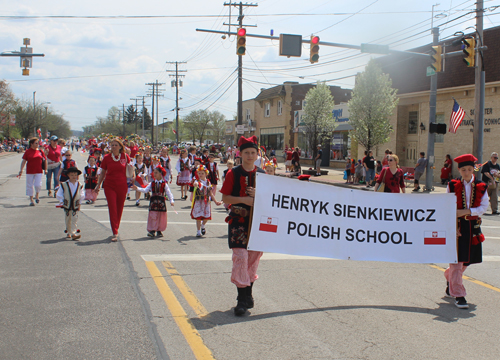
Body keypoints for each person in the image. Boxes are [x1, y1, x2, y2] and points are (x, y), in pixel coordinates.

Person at [220, 135, 266, 316]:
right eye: (246, 152)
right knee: (240, 257)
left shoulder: (263, 175)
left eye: (253, 152)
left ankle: (248, 294)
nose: (250, 155)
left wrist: (260, 193)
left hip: (256, 223)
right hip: (238, 222)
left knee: (253, 258)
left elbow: (272, 199)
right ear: (240, 154)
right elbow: (225, 198)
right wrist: (245, 200)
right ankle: (241, 299)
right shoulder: (233, 173)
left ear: (257, 154)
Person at [445, 154, 488, 309]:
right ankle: (459, 294)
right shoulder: (452, 184)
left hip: (473, 226)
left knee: (468, 260)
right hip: (457, 226)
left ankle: (449, 277)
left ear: (473, 170)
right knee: (457, 260)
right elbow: (447, 205)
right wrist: (452, 226)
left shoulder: (481, 186)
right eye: (463, 169)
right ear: (459, 170)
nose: (467, 172)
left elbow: (483, 207)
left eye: (469, 169)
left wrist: (466, 211)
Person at [94, 138, 131, 242]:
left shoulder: (125, 156)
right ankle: (114, 231)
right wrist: (98, 185)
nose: (114, 147)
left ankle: (116, 227)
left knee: (119, 208)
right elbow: (102, 173)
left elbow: (131, 169)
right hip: (109, 185)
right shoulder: (106, 158)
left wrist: (133, 178)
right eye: (112, 145)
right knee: (112, 208)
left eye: (116, 145)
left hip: (122, 186)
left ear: (120, 146)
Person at [133, 166, 174, 238]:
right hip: (153, 202)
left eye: (156, 173)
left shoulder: (164, 184)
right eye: (154, 173)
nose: (154, 174)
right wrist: (137, 188)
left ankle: (159, 230)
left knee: (160, 216)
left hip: (161, 202)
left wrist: (171, 200)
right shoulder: (152, 183)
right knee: (153, 216)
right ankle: (152, 230)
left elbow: (168, 193)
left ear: (161, 174)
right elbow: (145, 190)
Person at [190, 165, 220, 237]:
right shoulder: (197, 181)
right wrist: (195, 184)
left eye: (202, 173)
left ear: (206, 174)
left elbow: (210, 193)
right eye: (199, 173)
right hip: (198, 202)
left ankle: (203, 226)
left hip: (206, 202)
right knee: (198, 217)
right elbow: (195, 184)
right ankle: (198, 231)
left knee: (206, 216)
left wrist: (216, 202)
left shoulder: (208, 182)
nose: (200, 175)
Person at [56, 166, 85, 240]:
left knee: (74, 218)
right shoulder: (64, 184)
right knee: (68, 218)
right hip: (67, 204)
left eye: (75, 175)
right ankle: (69, 232)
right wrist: (61, 202)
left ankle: (73, 233)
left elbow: (81, 195)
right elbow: (59, 194)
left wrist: (80, 203)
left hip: (75, 204)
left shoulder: (79, 185)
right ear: (68, 175)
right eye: (72, 175)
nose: (74, 176)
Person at [19, 137, 47, 206]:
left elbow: (45, 160)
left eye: (38, 143)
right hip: (30, 171)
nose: (38, 144)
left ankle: (37, 195)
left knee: (38, 184)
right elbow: (24, 161)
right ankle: (31, 200)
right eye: (36, 143)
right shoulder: (28, 151)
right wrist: (21, 170)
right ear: (31, 144)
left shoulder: (40, 151)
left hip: (38, 171)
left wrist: (46, 169)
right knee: (30, 185)